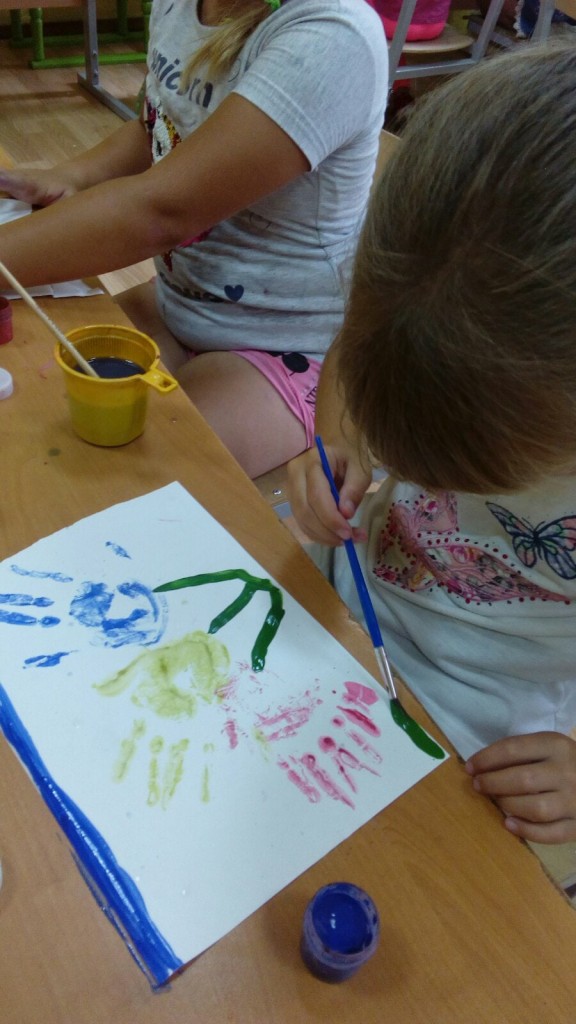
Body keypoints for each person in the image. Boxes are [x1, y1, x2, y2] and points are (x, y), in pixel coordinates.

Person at [287, 41, 576, 845]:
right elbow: (351, 357)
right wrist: (338, 441)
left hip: (498, 717)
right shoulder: (420, 275)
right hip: (342, 592)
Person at [0, 0, 387, 478]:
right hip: (182, 304)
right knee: (34, 404)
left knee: (108, 476)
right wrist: (72, 175)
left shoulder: (330, 34)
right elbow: (159, 127)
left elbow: (161, 213)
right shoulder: (182, 5)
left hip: (290, 346)